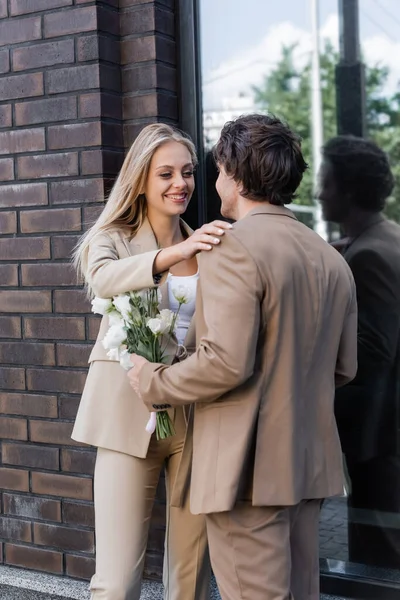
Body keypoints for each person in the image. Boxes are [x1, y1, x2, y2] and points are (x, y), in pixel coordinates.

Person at [127, 114, 358, 600]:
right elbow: (344, 368)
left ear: (233, 173)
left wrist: (153, 379)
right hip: (308, 465)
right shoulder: (331, 258)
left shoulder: (233, 248)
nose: (213, 182)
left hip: (246, 474)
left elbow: (225, 363)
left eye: (214, 170)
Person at [71, 122, 231, 600]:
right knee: (116, 584)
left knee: (190, 581)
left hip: (194, 420)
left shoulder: (210, 248)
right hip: (126, 419)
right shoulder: (112, 238)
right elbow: (101, 279)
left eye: (186, 172)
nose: (179, 183)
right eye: (165, 174)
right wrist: (172, 254)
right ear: (141, 179)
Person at [319, 135, 400, 569]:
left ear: (348, 189)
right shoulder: (382, 240)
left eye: (326, 182)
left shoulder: (368, 256)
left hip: (378, 434)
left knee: (379, 559)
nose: (319, 192)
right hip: (385, 432)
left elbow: (372, 352)